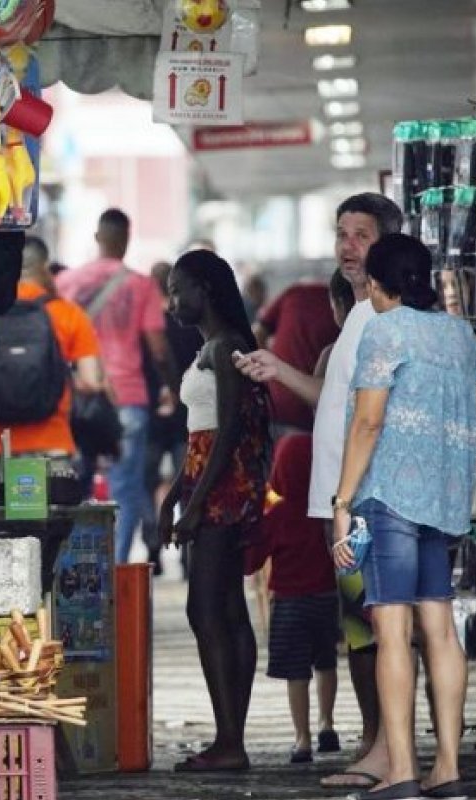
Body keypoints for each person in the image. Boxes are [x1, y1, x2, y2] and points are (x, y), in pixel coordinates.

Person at [331, 234, 476, 800]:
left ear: (379, 286)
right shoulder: (457, 332)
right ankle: (449, 767)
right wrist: (446, 416)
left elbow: (368, 424)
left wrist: (341, 502)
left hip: (388, 497)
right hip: (444, 497)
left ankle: (402, 770)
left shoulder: (385, 330)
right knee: (438, 627)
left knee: (391, 631)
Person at [235, 193, 404, 790]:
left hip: (372, 503)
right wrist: (278, 370)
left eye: (361, 234)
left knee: (378, 628)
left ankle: (386, 747)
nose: (347, 245)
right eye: (341, 233)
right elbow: (334, 403)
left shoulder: (388, 317)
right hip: (346, 502)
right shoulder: (356, 319)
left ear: (387, 242)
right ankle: (374, 741)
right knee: (361, 629)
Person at [159, 249, 270, 772]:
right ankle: (231, 738)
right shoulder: (213, 348)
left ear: (204, 289)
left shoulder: (226, 347)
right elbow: (200, 436)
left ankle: (230, 740)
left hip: (225, 492)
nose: (171, 300)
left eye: (177, 289)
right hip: (214, 487)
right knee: (223, 610)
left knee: (208, 611)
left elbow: (226, 435)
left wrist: (194, 505)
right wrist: (173, 495)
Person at [57, 209, 176, 563]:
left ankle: (73, 572)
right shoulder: (141, 285)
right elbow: (157, 347)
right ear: (126, 239)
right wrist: (172, 385)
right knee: (124, 490)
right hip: (127, 398)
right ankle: (115, 569)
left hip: (77, 397)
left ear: (98, 237)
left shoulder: (67, 284)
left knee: (73, 487)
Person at [0, 237, 103, 472]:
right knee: (49, 509)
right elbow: (89, 381)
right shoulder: (69, 313)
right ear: (44, 267)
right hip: (52, 444)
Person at [245, 433, 340, 764]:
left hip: (288, 602)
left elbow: (252, 560)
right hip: (327, 598)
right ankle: (327, 723)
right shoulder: (326, 508)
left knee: (296, 673)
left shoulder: (276, 509)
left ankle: (302, 740)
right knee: (325, 662)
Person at [142, 261, 202, 576]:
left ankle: (153, 548)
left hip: (151, 416)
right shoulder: (189, 326)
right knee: (188, 485)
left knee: (147, 484)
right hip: (185, 418)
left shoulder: (147, 327)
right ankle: (185, 556)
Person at [252, 279, 341, 436]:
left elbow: (257, 334)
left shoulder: (294, 292)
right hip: (310, 415)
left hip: (274, 404)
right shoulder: (346, 314)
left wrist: (263, 373)